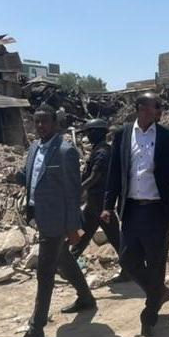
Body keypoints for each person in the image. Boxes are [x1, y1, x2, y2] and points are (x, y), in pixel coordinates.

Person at [102, 92, 169, 337]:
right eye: (157, 106)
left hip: (157, 211)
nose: (161, 110)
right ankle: (158, 292)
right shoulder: (122, 134)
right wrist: (107, 205)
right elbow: (114, 173)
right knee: (127, 260)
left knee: (156, 264)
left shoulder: (167, 136)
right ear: (141, 108)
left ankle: (148, 320)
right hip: (130, 210)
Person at [8, 106, 95, 337]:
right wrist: (16, 177)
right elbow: (30, 176)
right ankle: (86, 298)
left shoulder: (66, 151)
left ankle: (35, 329)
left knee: (45, 273)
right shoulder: (35, 148)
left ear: (55, 123)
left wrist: (72, 226)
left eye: (44, 122)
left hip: (57, 220)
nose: (40, 126)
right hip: (39, 215)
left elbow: (73, 192)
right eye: (36, 122)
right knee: (63, 259)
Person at [71, 119, 123, 279]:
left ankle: (131, 267)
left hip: (101, 202)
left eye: (90, 132)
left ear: (98, 132)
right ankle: (69, 263)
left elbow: (95, 176)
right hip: (95, 201)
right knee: (84, 233)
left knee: (114, 237)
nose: (87, 135)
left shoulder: (102, 152)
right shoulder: (99, 149)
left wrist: (78, 190)